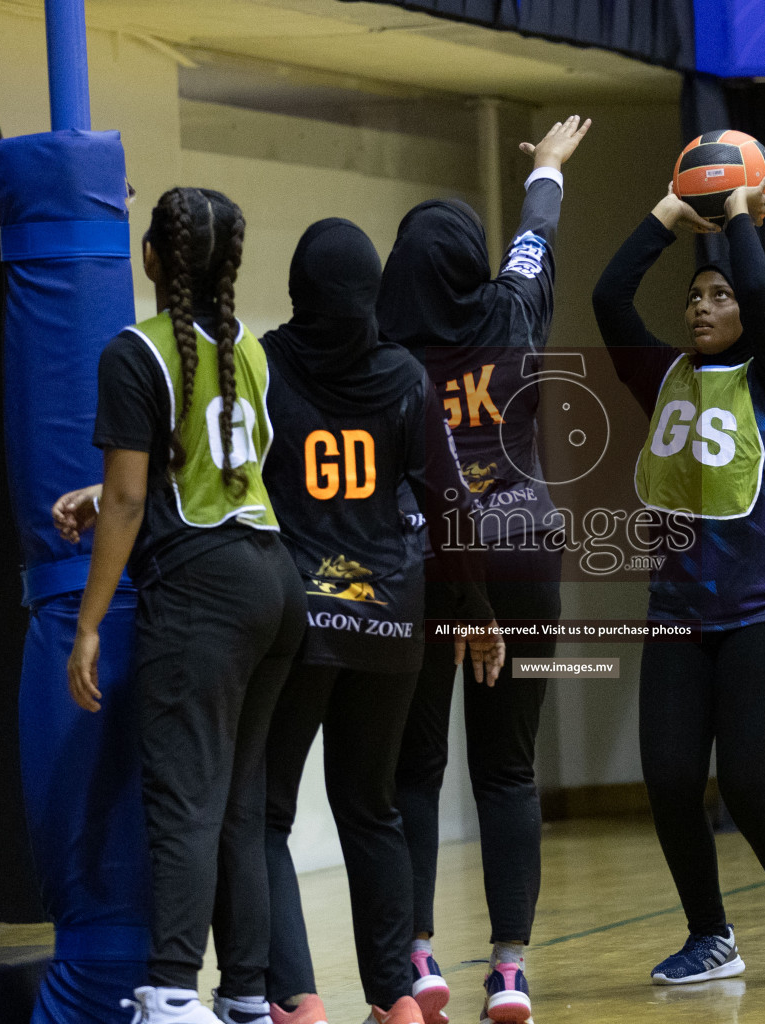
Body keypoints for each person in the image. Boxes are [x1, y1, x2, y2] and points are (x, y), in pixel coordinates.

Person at [54, 186, 307, 1024]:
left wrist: (88, 623)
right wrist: (109, 490)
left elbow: (130, 504)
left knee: (185, 802)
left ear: (152, 259)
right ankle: (242, 994)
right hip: (274, 582)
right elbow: (196, 468)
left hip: (203, 591)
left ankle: (167, 992)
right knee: (239, 802)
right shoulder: (252, 355)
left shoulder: (135, 351)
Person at [590, 179, 765, 985]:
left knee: (743, 781)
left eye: (719, 295)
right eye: (695, 296)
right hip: (677, 613)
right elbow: (608, 296)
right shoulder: (663, 376)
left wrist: (737, 214)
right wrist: (671, 213)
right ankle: (711, 936)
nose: (701, 306)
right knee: (668, 781)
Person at [255, 217, 504, 1024]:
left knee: (265, 811)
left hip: (299, 617)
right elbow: (445, 500)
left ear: (298, 289)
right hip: (394, 616)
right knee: (373, 808)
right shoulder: (403, 373)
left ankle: (296, 998)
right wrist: (476, 606)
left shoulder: (267, 364)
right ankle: (395, 998)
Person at [380, 114, 590, 1024]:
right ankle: (508, 972)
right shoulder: (512, 310)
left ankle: (417, 956)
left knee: (413, 770)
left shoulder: (382, 359)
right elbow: (535, 235)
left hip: (425, 569)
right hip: (522, 558)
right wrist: (545, 165)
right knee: (507, 772)